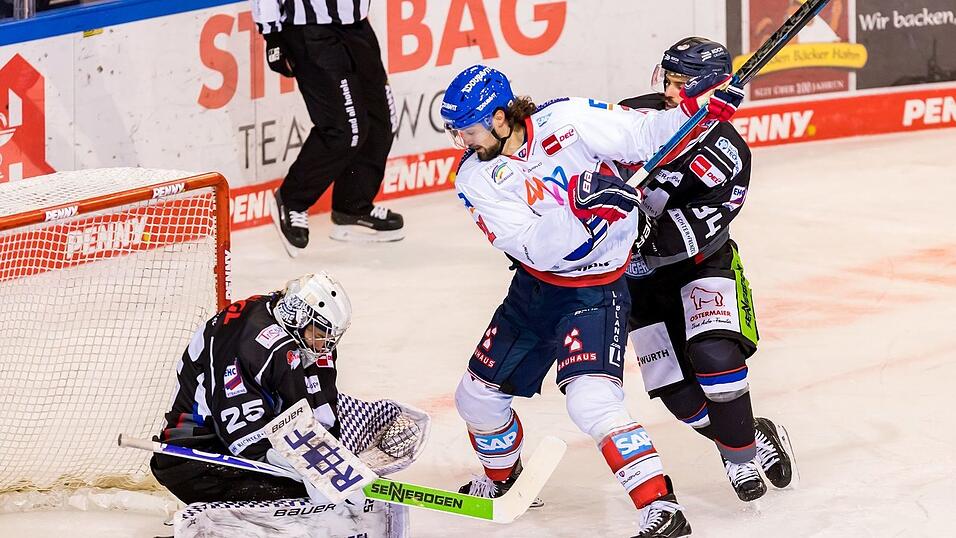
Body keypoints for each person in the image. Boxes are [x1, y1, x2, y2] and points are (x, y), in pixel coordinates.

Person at [441, 64, 743, 537]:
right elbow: (532, 245)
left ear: (501, 118)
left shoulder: (567, 118)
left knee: (592, 402)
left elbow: (643, 136)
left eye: (470, 132)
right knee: (476, 399)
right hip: (534, 290)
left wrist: (696, 113)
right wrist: (579, 211)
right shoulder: (475, 179)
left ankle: (660, 507)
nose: (463, 144)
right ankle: (503, 481)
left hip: (596, 291)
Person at [617, 37, 797, 503]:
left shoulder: (729, 152)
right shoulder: (633, 116)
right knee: (680, 398)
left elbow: (701, 223)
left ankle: (738, 461)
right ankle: (750, 434)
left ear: (708, 87)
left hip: (701, 263)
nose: (671, 91)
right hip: (638, 279)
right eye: (668, 80)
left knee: (715, 357)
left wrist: (642, 230)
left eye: (682, 83)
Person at [150, 272, 425, 506]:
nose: (324, 344)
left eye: (329, 335)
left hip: (256, 434)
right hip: (196, 456)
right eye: (320, 334)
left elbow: (318, 404)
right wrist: (305, 470)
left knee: (322, 491)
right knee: (298, 498)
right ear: (298, 317)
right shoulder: (251, 346)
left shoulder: (303, 333)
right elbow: (243, 439)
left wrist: (328, 460)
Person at [251, 0, 404, 257]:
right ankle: (291, 200)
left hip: (356, 24)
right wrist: (272, 33)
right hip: (309, 30)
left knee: (381, 121)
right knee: (344, 130)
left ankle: (352, 206)